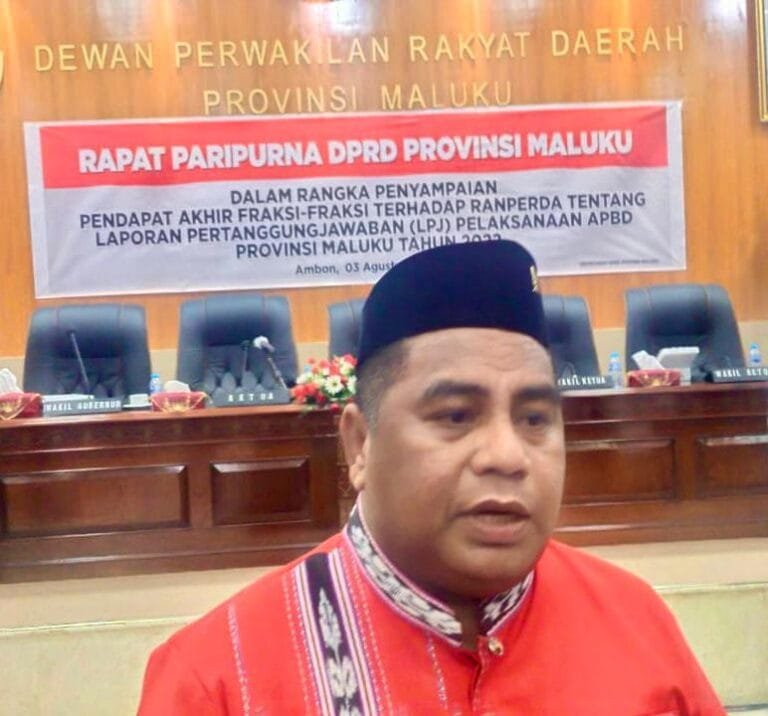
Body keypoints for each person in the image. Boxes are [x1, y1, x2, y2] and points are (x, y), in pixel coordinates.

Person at [137, 241, 725, 715]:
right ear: (360, 445)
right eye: (456, 416)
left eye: (534, 419)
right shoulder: (217, 679)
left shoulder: (634, 620)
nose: (508, 456)